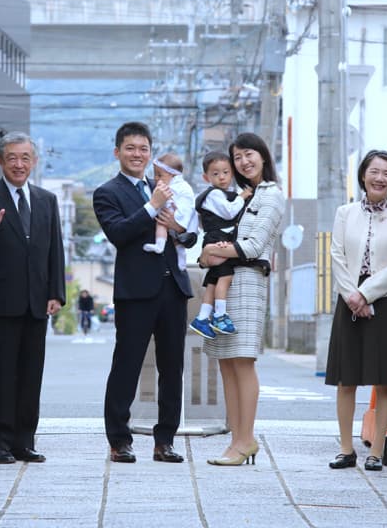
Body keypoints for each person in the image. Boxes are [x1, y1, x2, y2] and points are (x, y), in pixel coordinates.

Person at [0, 132, 65, 464]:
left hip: (37, 303)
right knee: (0, 374)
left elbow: (55, 251)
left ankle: (24, 440)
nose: (19, 164)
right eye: (12, 158)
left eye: (25, 158)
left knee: (31, 373)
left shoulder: (46, 199)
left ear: (34, 161)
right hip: (0, 302)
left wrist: (56, 293)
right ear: (0, 160)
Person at [93, 122, 193, 464]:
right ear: (117, 152)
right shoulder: (107, 192)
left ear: (151, 154)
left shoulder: (165, 186)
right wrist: (151, 207)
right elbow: (119, 234)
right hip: (136, 292)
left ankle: (165, 439)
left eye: (143, 149)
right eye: (131, 148)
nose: (137, 154)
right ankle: (120, 440)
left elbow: (189, 236)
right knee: (127, 365)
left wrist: (178, 227)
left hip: (173, 288)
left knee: (171, 367)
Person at [325, 150, 387, 472]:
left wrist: (365, 294)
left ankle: (377, 451)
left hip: (386, 301)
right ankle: (346, 449)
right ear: (363, 174)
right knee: (345, 379)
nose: (379, 178)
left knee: (384, 380)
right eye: (374, 171)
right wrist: (352, 295)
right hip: (347, 296)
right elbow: (336, 255)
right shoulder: (344, 212)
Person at [200, 133, 285, 466]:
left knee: (243, 361)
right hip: (224, 279)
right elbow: (212, 244)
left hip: (247, 280)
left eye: (249, 154)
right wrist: (208, 253)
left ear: (263, 155)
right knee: (226, 362)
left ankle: (246, 439)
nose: (243, 162)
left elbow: (252, 244)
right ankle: (236, 440)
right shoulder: (233, 195)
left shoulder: (272, 195)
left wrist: (210, 252)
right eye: (237, 158)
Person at [189, 151, 252, 339]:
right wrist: (243, 196)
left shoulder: (216, 194)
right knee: (226, 277)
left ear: (232, 172)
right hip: (218, 240)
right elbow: (229, 213)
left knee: (213, 282)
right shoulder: (215, 194)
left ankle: (201, 318)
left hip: (214, 238)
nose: (222, 177)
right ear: (206, 177)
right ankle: (220, 316)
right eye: (215, 174)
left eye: (225, 172)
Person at [142, 152, 198, 270]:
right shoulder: (160, 186)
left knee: (176, 241)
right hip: (165, 217)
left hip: (179, 214)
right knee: (161, 223)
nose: (156, 178)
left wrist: (178, 223)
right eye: (155, 174)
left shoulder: (182, 187)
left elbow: (188, 204)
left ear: (173, 175)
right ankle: (160, 245)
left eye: (159, 175)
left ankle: (181, 260)